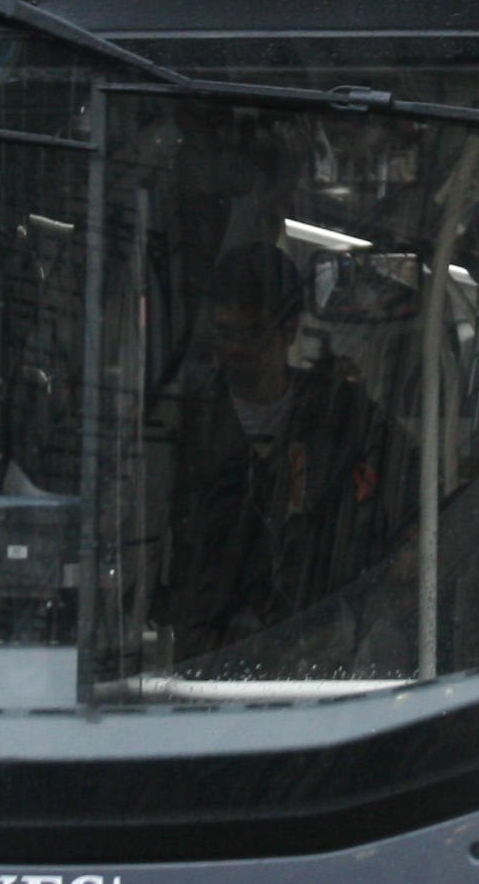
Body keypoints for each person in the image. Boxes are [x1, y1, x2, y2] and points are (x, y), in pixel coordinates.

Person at [157, 242, 408, 665]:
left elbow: (411, 482)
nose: (234, 349)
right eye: (223, 333)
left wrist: (407, 546)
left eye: (251, 332)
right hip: (208, 654)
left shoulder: (340, 413)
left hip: (316, 648)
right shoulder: (186, 422)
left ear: (289, 330)